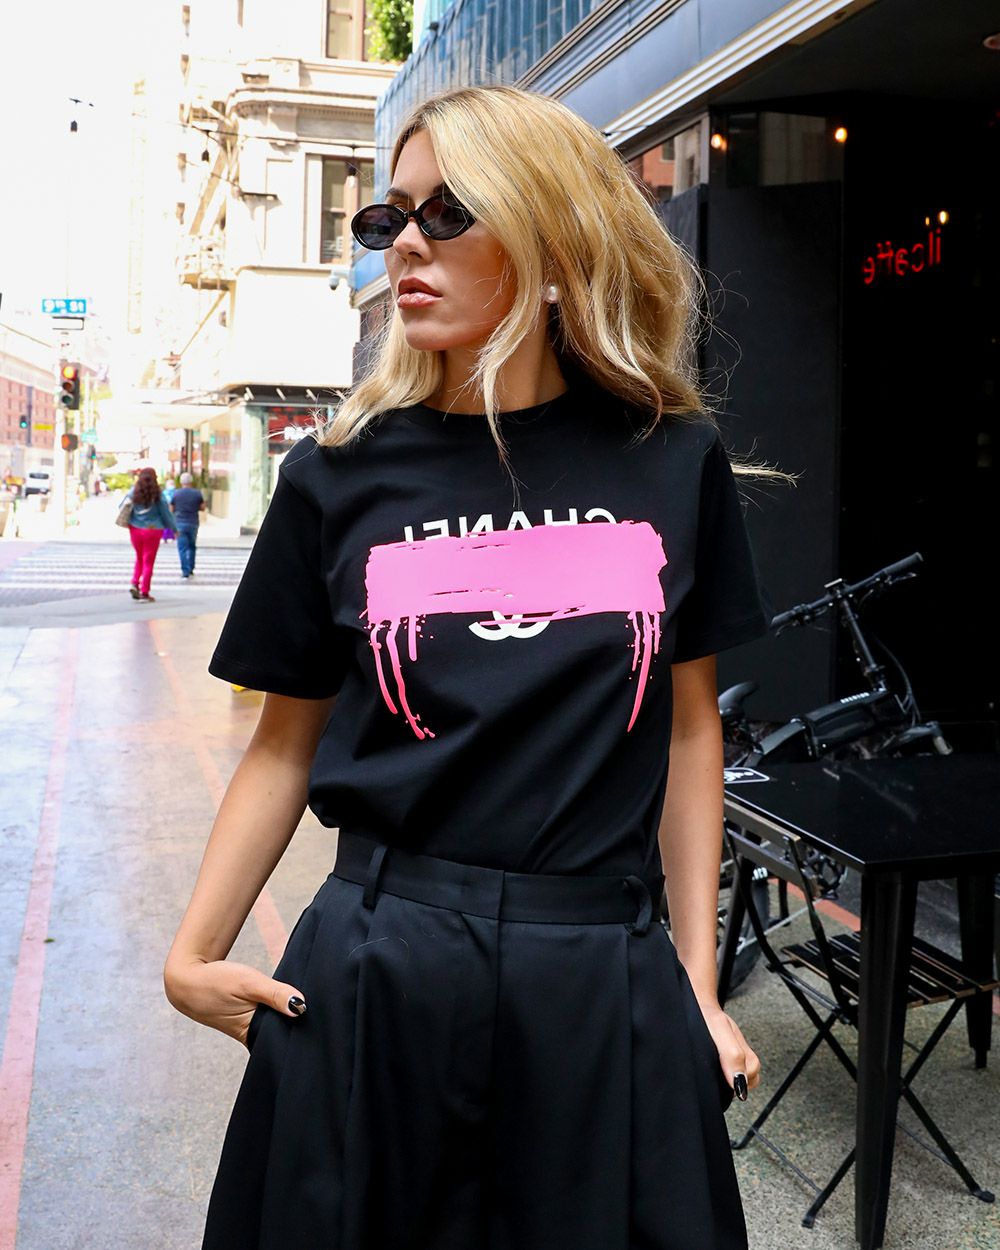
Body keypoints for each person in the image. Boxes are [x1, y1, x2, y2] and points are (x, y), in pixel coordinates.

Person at [164, 85, 771, 1250]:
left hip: (597, 966)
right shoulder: (336, 474)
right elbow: (285, 742)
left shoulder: (669, 458)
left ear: (551, 246)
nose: (404, 243)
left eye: (448, 213)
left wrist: (696, 983)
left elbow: (691, 729)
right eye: (388, 216)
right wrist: (193, 950)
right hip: (383, 958)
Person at [126, 468, 176, 602]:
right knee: (148, 561)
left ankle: (135, 582)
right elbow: (166, 513)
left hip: (135, 529)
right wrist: (174, 528)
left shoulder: (133, 492)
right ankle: (144, 592)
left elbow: (123, 506)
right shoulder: (158, 494)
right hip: (153, 530)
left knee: (139, 557)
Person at [170, 471, 206, 578]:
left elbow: (171, 509)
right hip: (193, 522)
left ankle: (185, 571)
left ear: (181, 482)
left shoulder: (176, 493)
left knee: (182, 548)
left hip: (180, 523)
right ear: (191, 481)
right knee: (192, 546)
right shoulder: (197, 493)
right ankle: (191, 568)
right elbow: (203, 508)